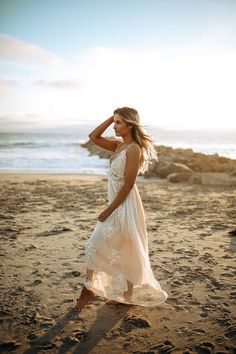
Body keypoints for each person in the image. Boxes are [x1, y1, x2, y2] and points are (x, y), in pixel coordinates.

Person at [74, 107, 168, 312]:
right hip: (117, 202)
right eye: (114, 122)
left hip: (125, 203)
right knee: (106, 244)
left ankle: (114, 294)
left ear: (130, 124)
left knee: (110, 244)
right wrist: (112, 116)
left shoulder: (134, 148)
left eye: (118, 123)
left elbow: (128, 184)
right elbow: (93, 136)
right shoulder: (118, 146)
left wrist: (109, 210)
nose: (114, 126)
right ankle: (99, 291)